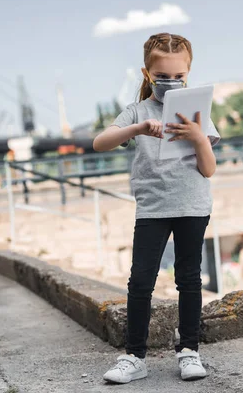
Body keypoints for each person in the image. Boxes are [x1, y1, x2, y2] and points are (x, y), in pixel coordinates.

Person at [93, 33, 220, 384]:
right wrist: (136, 129)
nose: (170, 82)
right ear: (147, 73)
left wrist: (197, 137)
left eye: (178, 76)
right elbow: (100, 142)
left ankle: (190, 351)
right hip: (152, 208)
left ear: (188, 74)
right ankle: (135, 356)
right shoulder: (137, 110)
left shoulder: (198, 114)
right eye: (162, 76)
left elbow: (208, 169)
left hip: (192, 205)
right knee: (141, 281)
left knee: (190, 278)